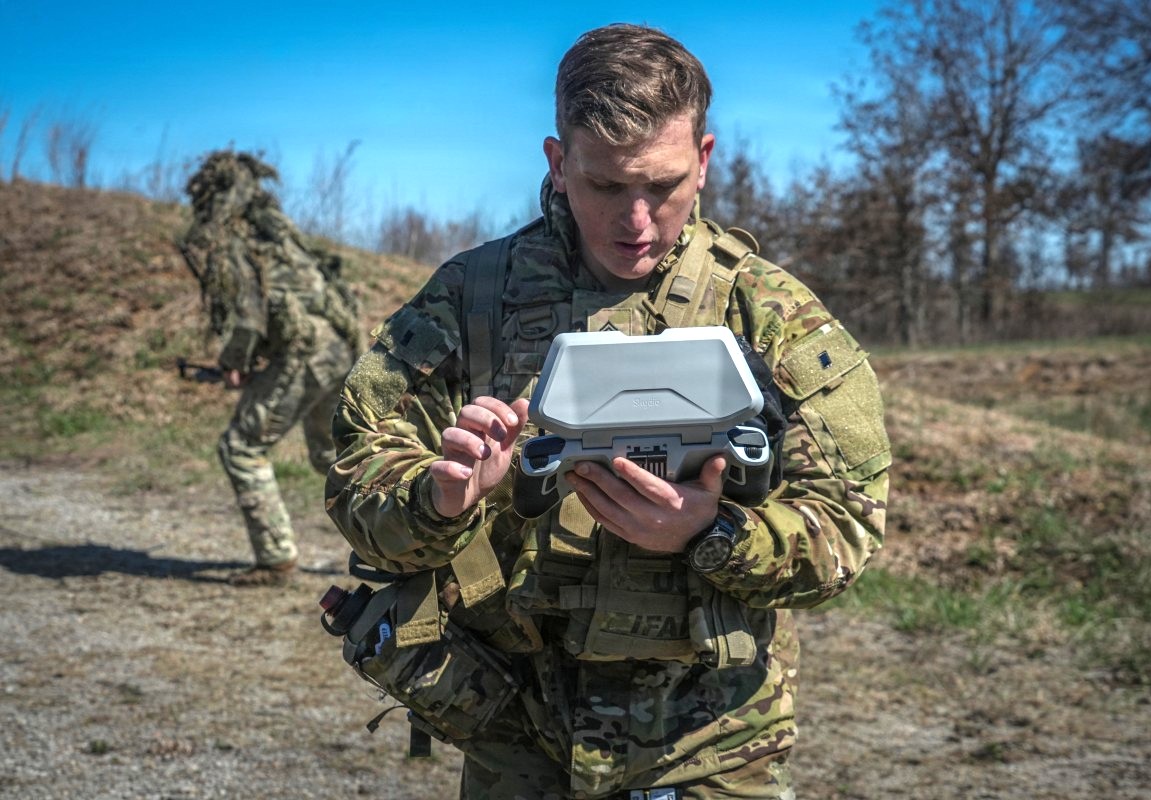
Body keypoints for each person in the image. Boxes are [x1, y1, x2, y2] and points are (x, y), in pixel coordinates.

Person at [325, 23, 890, 799]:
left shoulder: (770, 313)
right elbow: (358, 473)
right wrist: (441, 494)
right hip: (513, 733)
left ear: (705, 159)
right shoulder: (472, 299)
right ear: (558, 164)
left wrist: (712, 532)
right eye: (605, 186)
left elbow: (850, 523)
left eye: (661, 186)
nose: (636, 221)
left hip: (710, 745)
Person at [180, 150, 361, 586]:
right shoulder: (278, 234)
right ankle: (412, 540)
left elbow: (246, 318)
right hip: (338, 346)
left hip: (304, 352)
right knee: (332, 456)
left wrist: (234, 362)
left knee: (241, 448)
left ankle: (275, 557)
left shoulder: (233, 242)